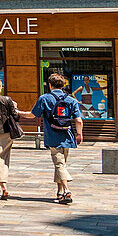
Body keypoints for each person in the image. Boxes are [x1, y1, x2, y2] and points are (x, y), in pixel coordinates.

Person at [31, 73, 83, 204]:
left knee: (59, 164)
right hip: (67, 136)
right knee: (61, 164)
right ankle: (60, 192)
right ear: (63, 84)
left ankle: (66, 190)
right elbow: (78, 120)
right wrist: (79, 134)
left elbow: (32, 115)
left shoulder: (45, 98)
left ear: (50, 85)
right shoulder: (71, 100)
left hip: (53, 136)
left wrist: (18, 112)